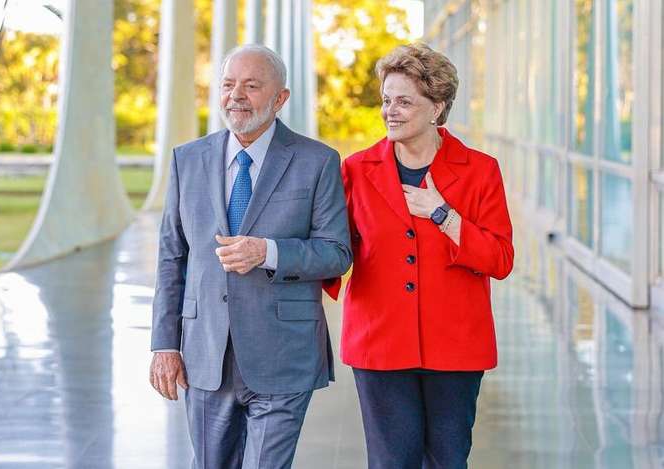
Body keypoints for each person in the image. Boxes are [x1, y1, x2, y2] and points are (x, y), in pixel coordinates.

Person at [149, 44, 352, 469]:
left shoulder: (317, 162)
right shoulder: (188, 160)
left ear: (280, 99)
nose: (236, 95)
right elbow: (173, 258)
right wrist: (165, 344)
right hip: (205, 353)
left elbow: (336, 253)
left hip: (284, 353)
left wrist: (269, 251)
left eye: (252, 86)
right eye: (227, 84)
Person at [328, 43, 514, 468]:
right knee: (392, 461)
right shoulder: (355, 169)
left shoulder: (481, 170)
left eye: (404, 101)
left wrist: (443, 214)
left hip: (457, 346)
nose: (390, 111)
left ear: (437, 107)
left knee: (448, 460)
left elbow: (501, 259)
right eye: (387, 100)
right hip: (379, 343)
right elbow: (333, 247)